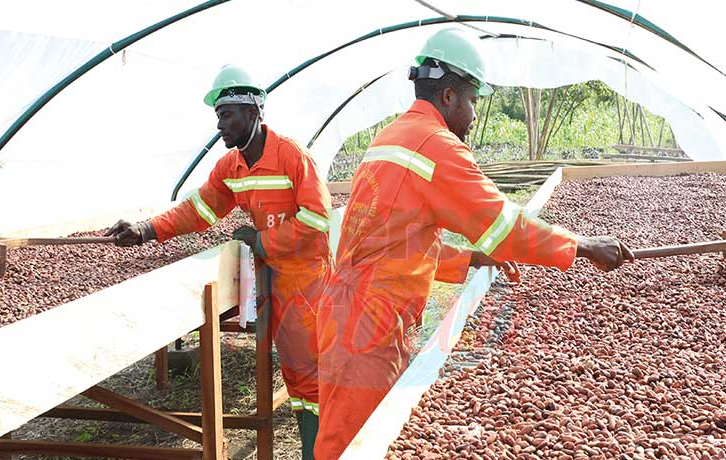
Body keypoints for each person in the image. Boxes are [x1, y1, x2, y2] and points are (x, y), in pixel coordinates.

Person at [314, 28, 635, 459]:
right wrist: (583, 246)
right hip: (367, 325)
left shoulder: (392, 137)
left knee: (347, 434)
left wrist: (470, 258)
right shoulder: (436, 146)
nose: (472, 115)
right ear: (449, 96)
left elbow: (392, 241)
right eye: (472, 101)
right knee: (355, 446)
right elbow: (506, 226)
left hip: (348, 312)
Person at [105, 65, 330, 459]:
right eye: (218, 116)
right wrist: (146, 230)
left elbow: (317, 221)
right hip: (272, 281)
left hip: (305, 283)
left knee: (311, 378)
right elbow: (199, 210)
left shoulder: (292, 157)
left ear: (253, 112)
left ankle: (320, 450)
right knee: (295, 378)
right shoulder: (233, 166)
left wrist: (262, 241)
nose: (220, 125)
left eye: (227, 115)